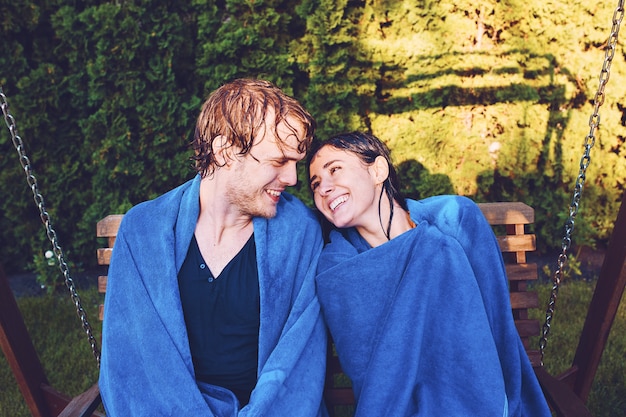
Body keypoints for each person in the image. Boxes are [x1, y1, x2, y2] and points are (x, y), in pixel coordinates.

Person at [99, 78, 327, 416]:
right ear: (225, 152)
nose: (293, 178)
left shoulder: (299, 233)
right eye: (279, 161)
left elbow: (296, 362)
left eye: (295, 162)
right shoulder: (145, 231)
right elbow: (137, 364)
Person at [307, 131, 552, 417]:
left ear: (378, 170)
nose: (324, 187)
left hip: (480, 392)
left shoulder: (456, 219)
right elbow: (366, 369)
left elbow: (495, 322)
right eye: (315, 184)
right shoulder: (338, 268)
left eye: (334, 169)